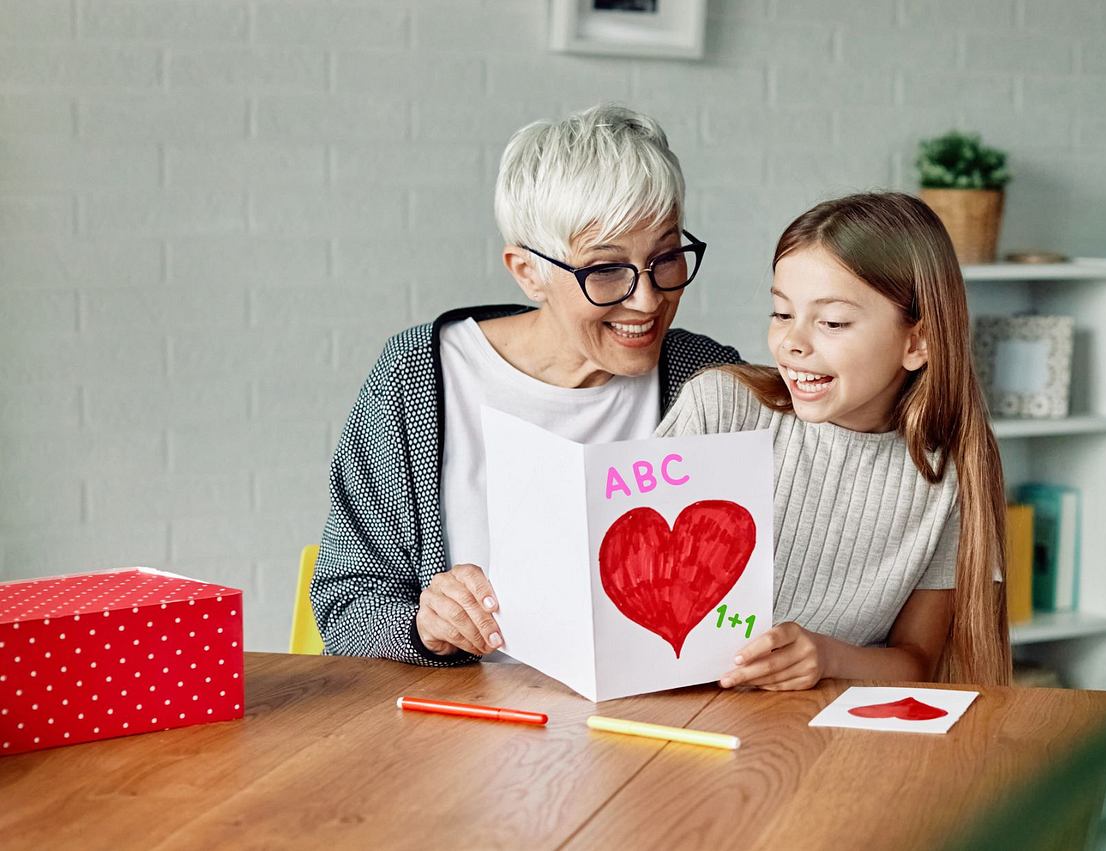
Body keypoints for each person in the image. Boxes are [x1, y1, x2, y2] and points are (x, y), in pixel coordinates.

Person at [311, 104, 740, 666]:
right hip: (470, 728)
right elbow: (344, 603)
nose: (649, 299)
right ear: (526, 270)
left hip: (654, 724)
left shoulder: (704, 378)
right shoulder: (422, 375)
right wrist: (424, 625)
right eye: (606, 270)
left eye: (665, 258)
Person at [657, 192, 1010, 689]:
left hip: (815, 734)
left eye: (832, 322)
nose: (793, 342)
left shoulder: (949, 475)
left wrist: (824, 657)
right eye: (782, 313)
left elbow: (916, 663)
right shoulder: (720, 408)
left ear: (917, 342)